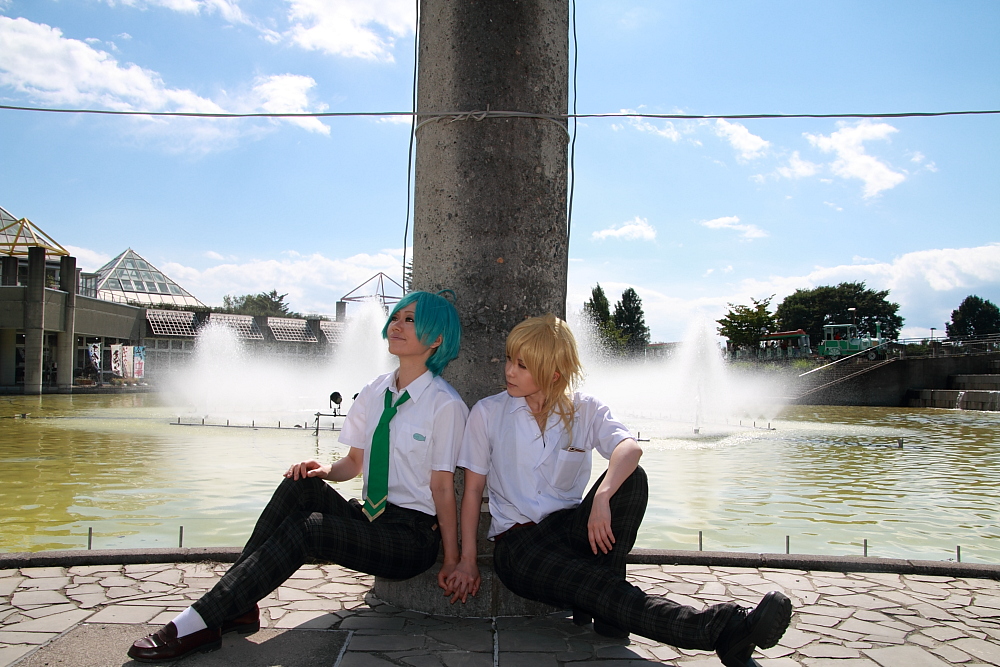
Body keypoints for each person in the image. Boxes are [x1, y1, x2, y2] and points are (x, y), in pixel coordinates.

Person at [129, 290, 469, 662]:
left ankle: (201, 619)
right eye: (396, 317)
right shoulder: (375, 391)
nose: (397, 325)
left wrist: (453, 559)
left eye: (411, 320)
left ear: (437, 339)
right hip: (371, 519)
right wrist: (323, 470)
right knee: (301, 484)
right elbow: (353, 463)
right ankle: (238, 606)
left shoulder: (445, 404)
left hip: (410, 536)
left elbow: (442, 488)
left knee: (311, 528)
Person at [448, 314, 791, 667]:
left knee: (632, 478)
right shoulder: (488, 413)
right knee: (600, 586)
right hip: (520, 546)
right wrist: (467, 561)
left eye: (522, 365)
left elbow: (629, 448)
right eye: (509, 359)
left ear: (553, 373)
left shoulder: (584, 408)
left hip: (570, 529)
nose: (509, 371)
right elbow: (472, 492)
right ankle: (720, 629)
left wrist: (602, 496)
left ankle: (608, 609)